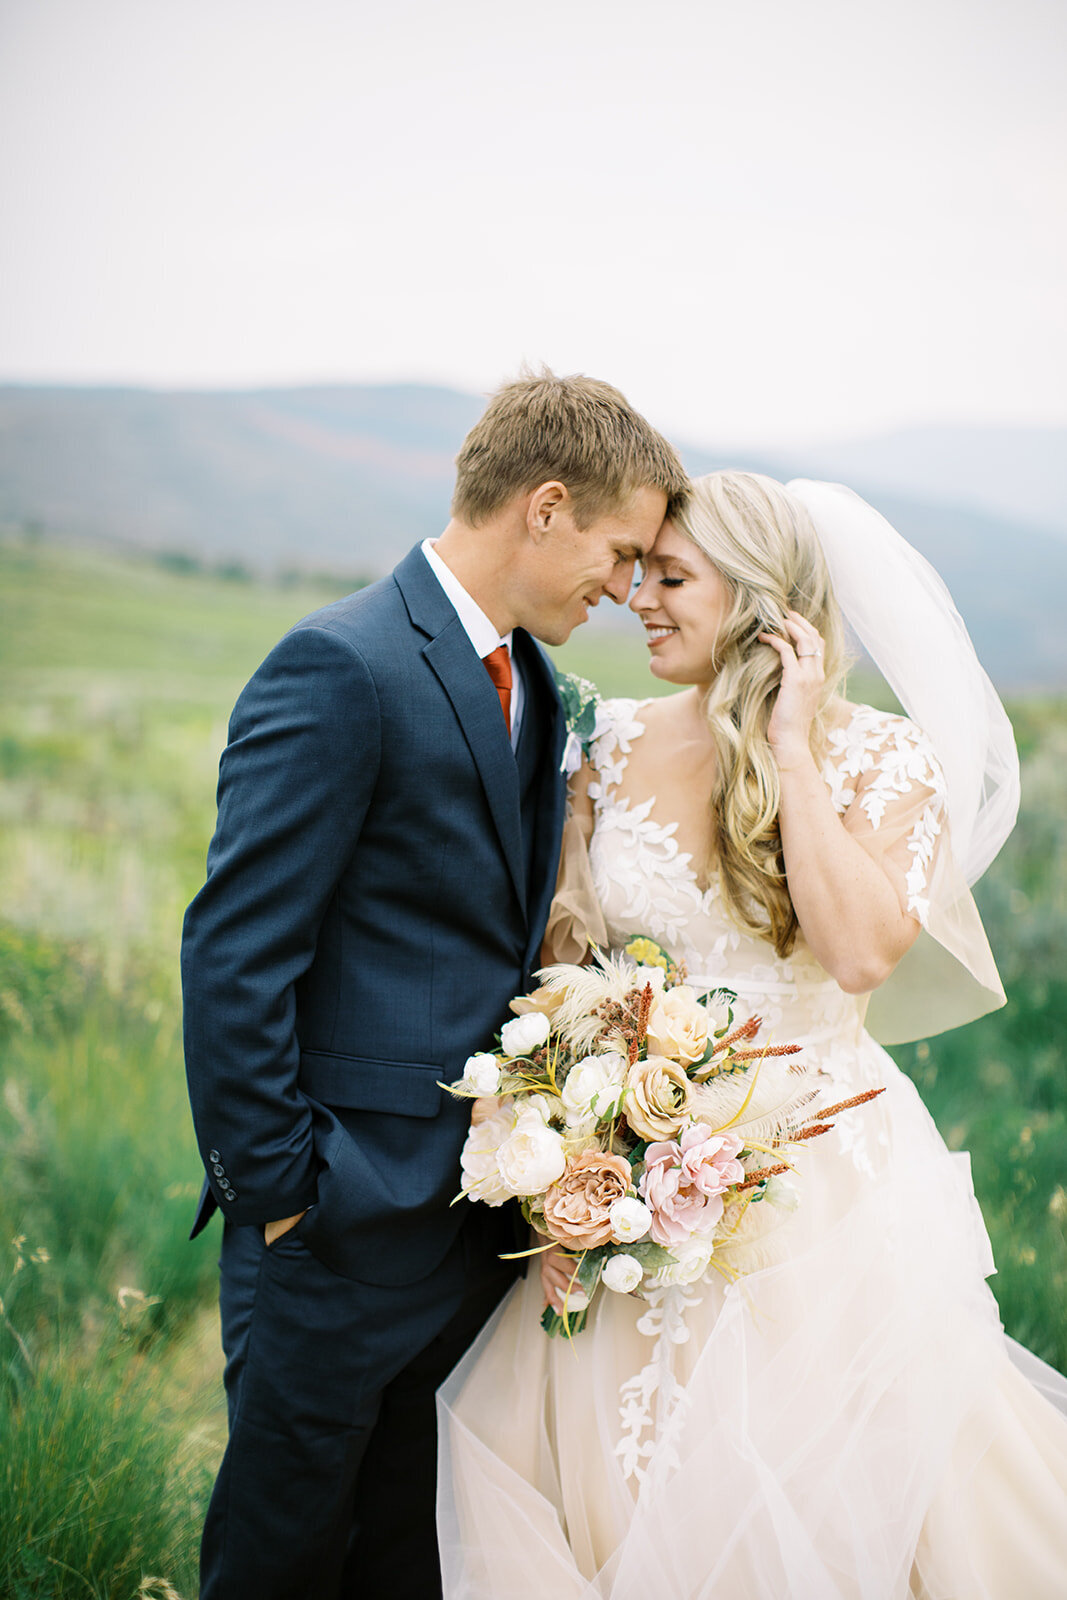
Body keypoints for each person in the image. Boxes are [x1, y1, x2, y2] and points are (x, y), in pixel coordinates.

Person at [436, 471, 1067, 1599]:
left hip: (817, 1193)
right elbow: (565, 964)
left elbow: (859, 953)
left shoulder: (879, 760)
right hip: (632, 1177)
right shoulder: (606, 743)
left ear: (763, 604)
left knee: (837, 1493)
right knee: (625, 1491)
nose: (638, 597)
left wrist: (785, 745)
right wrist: (563, 1109)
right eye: (637, 572)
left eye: (671, 578)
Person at [180, 369, 689, 1600]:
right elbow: (234, 954)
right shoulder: (339, 665)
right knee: (284, 1557)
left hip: (467, 1241)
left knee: (415, 1558)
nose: (624, 590)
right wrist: (287, 1195)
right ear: (548, 506)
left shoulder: (532, 686)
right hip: (334, 1230)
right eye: (620, 553)